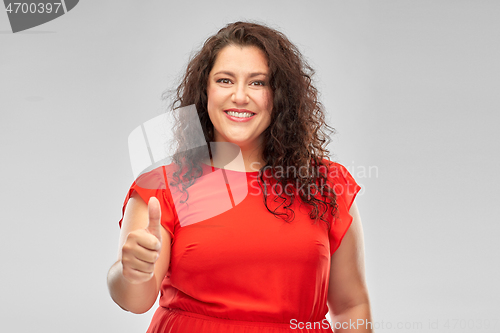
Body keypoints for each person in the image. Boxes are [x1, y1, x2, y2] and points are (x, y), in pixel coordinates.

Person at [107, 21, 373, 333]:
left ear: (279, 95)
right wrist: (131, 273)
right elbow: (135, 300)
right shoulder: (162, 187)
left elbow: (352, 306)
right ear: (206, 90)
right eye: (224, 80)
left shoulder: (327, 185)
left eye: (258, 83)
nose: (240, 96)